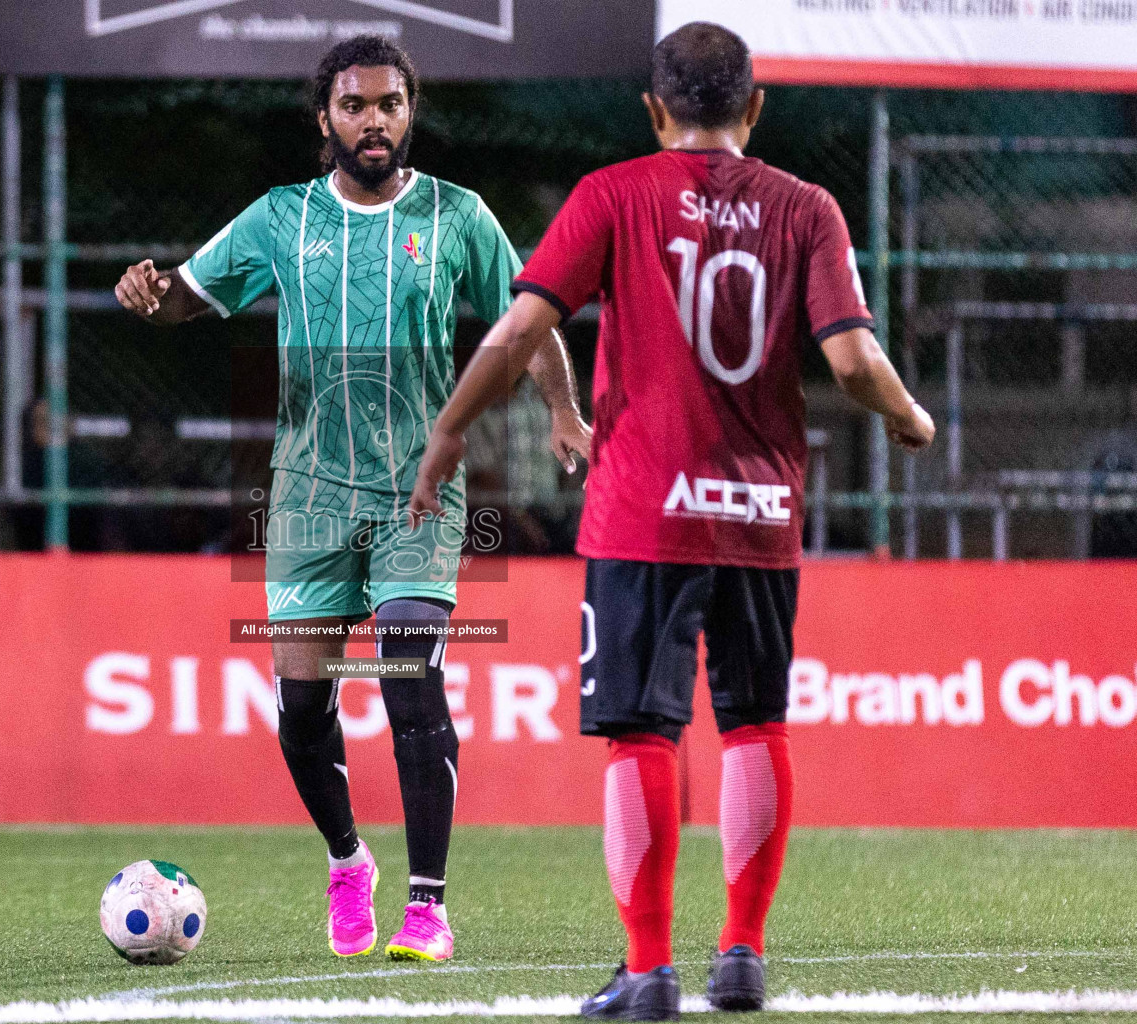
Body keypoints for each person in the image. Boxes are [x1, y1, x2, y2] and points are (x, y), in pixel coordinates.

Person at [410, 22, 934, 1019]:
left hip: (643, 510)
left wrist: (448, 434)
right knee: (754, 722)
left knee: (642, 732)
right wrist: (910, 417)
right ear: (757, 107)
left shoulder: (613, 194)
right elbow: (856, 362)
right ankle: (740, 952)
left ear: (654, 109)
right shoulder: (805, 206)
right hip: (759, 511)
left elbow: (523, 327)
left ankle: (648, 966)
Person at [115, 35, 590, 962]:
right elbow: (189, 297)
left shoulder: (457, 217)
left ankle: (427, 906)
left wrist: (563, 413)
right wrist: (149, 290)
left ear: (410, 111)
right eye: (354, 106)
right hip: (308, 497)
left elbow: (528, 319)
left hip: (419, 488)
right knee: (303, 705)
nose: (374, 121)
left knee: (410, 680)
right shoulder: (280, 220)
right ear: (323, 118)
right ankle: (347, 859)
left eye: (390, 104)